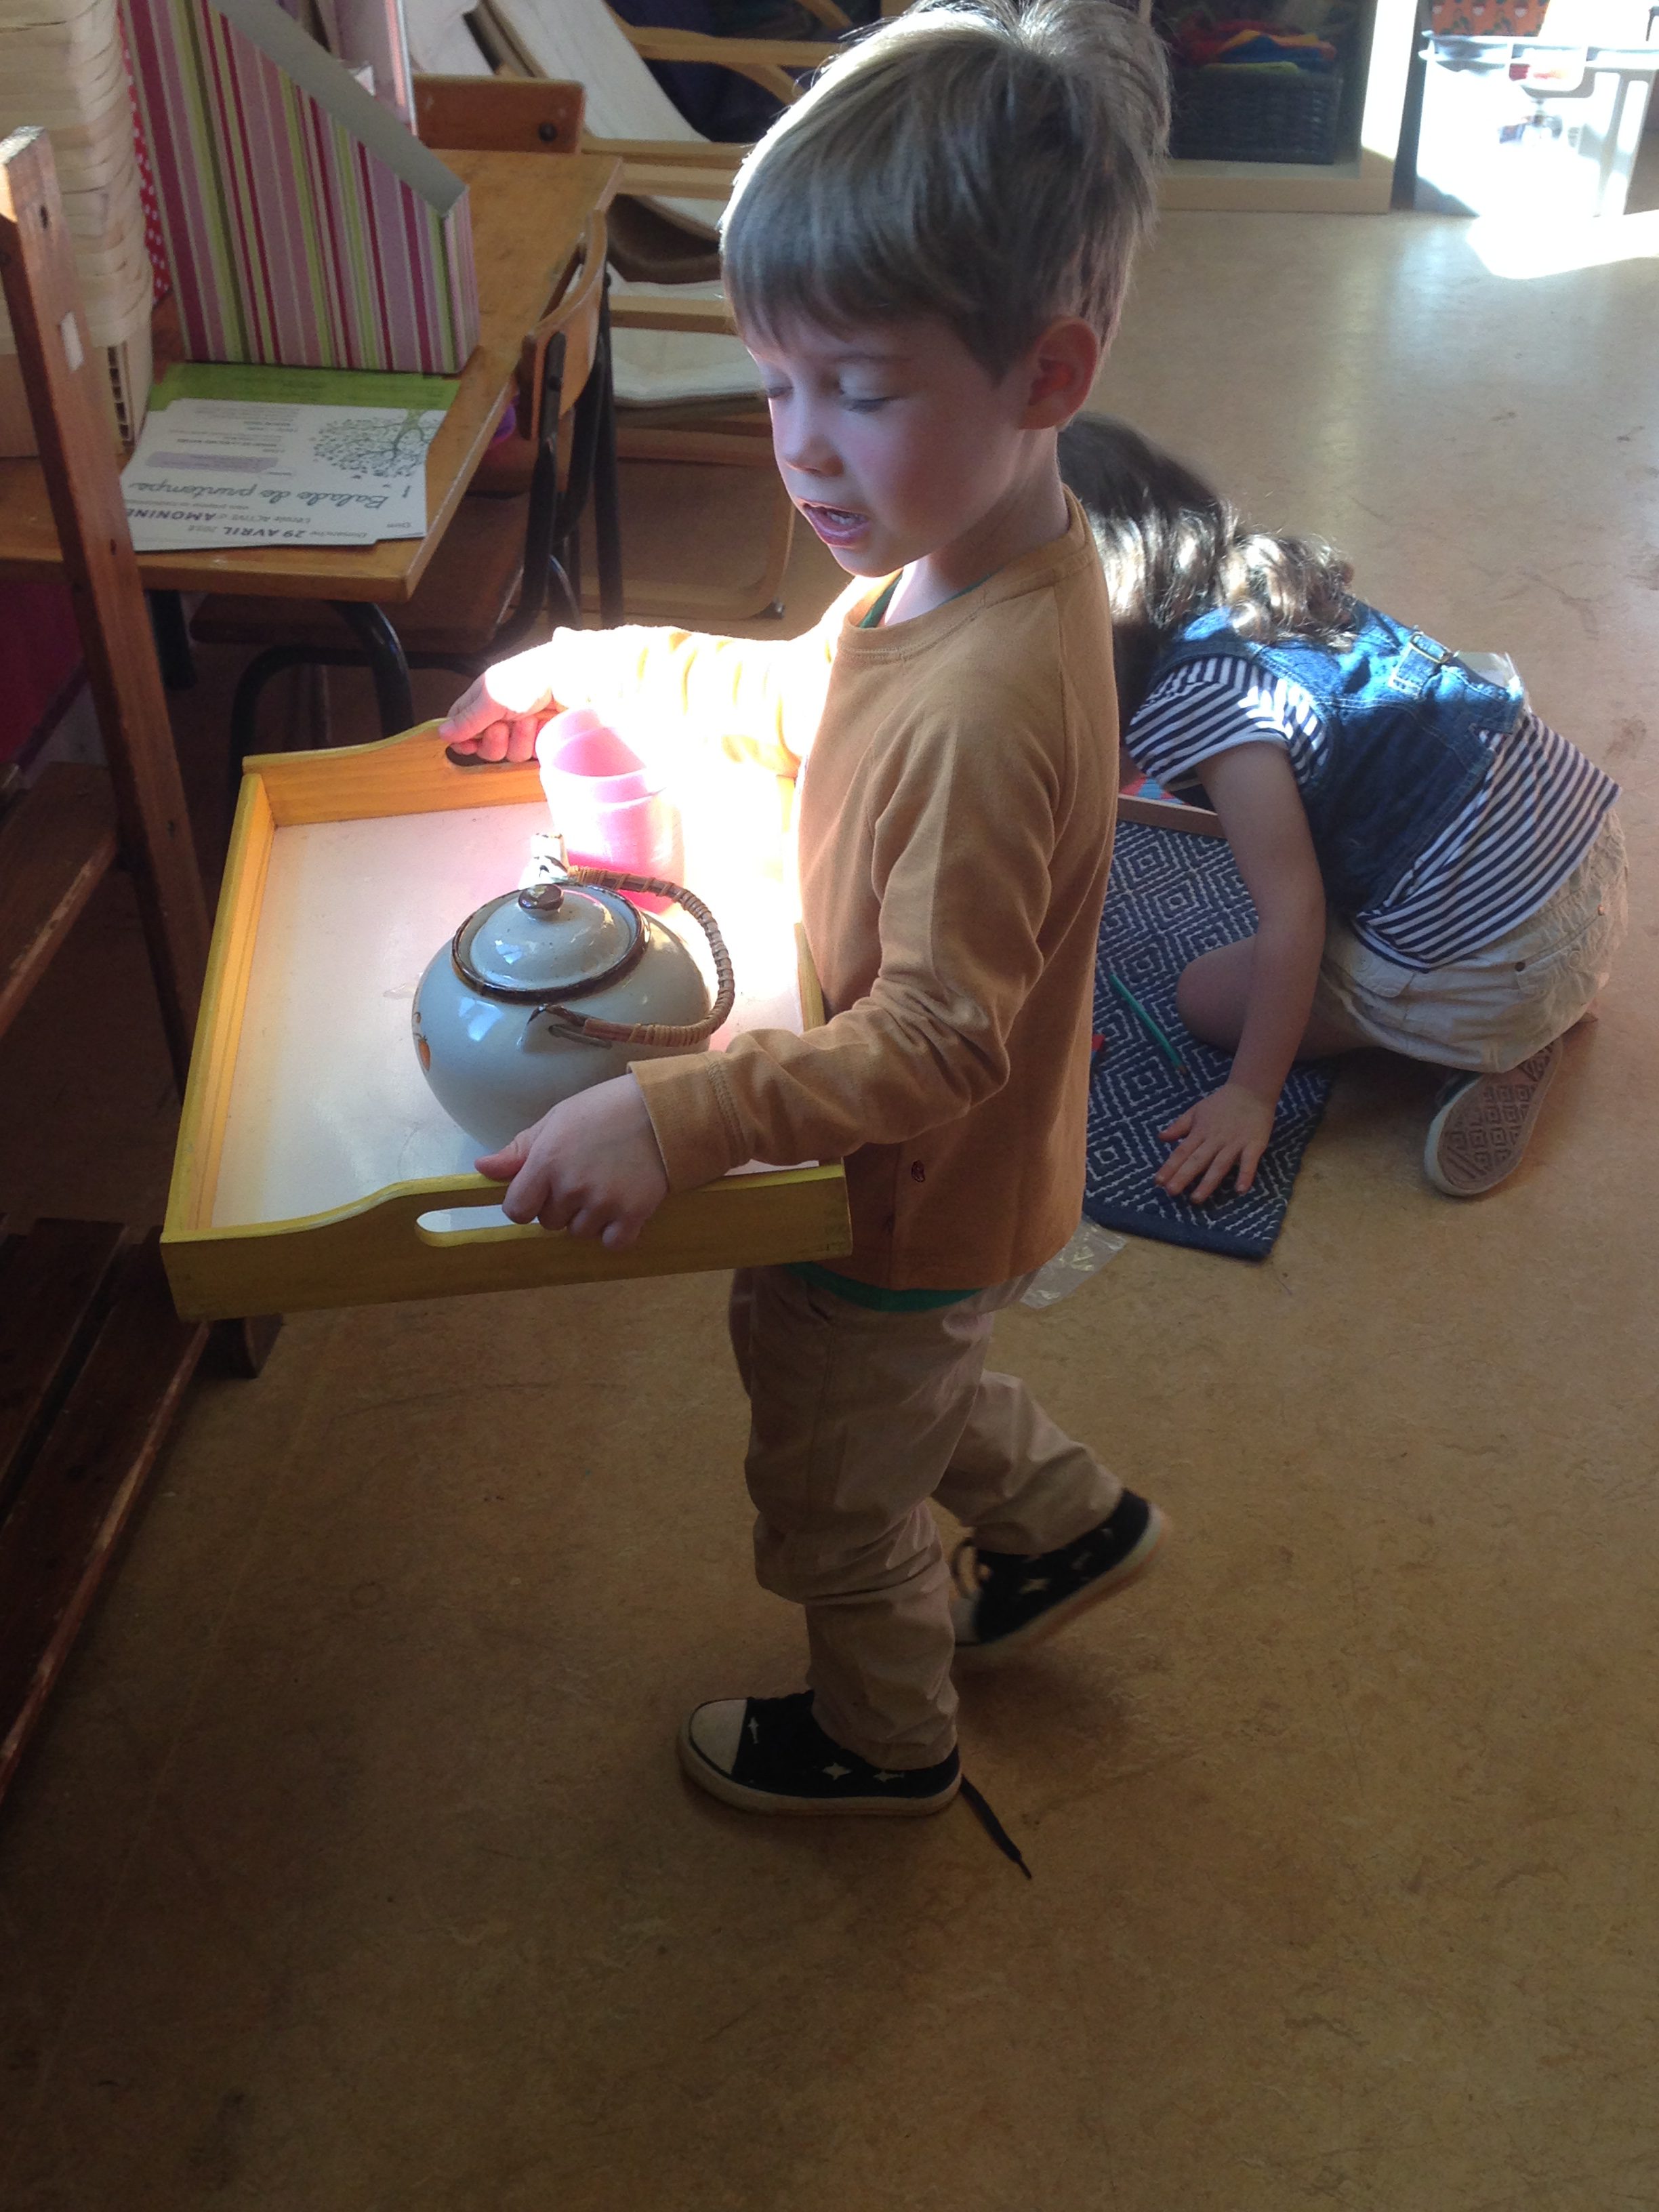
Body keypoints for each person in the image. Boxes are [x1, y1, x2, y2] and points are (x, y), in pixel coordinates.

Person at [437, 0, 1172, 1820]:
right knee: (909, 1380)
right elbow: (804, 697)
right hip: (940, 1190)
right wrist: (595, 657)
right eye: (775, 385)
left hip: (899, 1189)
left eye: (857, 388)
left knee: (835, 1478)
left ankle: (883, 1739)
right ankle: (1069, 1524)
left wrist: (670, 1115)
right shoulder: (963, 562)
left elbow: (936, 1041)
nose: (801, 449)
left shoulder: (991, 700)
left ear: (1046, 376)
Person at [1057, 413, 1628, 1204]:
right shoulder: (1257, 582)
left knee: (1207, 998)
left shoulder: (1195, 703)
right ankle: (1534, 1000)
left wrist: (1250, 1096)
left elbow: (1296, 912)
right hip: (1588, 868)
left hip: (1499, 960)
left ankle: (1490, 1041)